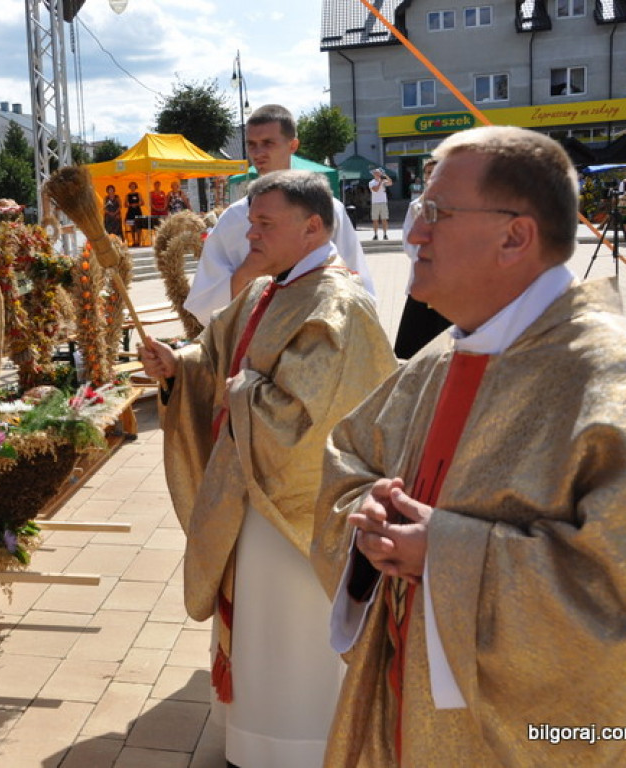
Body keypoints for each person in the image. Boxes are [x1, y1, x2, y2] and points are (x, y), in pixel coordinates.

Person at [311, 126, 626, 767]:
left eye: (434, 212)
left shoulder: (605, 380)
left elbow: (610, 599)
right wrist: (365, 520)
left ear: (515, 236)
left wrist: (447, 553)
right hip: (405, 704)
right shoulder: (443, 355)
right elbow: (349, 454)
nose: (413, 233)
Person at [140, 170, 396, 768]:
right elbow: (220, 353)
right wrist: (179, 365)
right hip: (247, 488)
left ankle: (300, 746)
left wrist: (240, 393)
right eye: (250, 221)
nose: (248, 235)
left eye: (264, 223)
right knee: (257, 625)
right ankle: (252, 739)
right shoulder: (265, 291)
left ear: (312, 227)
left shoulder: (341, 304)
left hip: (292, 503)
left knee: (289, 629)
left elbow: (317, 414)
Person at [184, 104, 375, 326]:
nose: (258, 153)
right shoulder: (234, 219)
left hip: (320, 337)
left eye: (268, 143)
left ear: (292, 145)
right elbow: (206, 303)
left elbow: (356, 279)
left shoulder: (328, 210)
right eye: (252, 145)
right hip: (255, 339)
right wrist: (246, 272)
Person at [392, 158, 450, 359]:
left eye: (436, 172)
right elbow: (409, 242)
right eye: (427, 173)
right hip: (423, 278)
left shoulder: (457, 205)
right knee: (413, 341)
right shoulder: (416, 206)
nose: (430, 177)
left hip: (450, 282)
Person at [369, 167, 392, 240]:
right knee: (375, 220)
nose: (378, 174)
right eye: (377, 173)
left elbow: (390, 183)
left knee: (384, 219)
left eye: (379, 173)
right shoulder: (371, 182)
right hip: (375, 202)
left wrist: (385, 175)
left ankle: (385, 234)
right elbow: (375, 189)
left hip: (383, 202)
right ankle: (375, 234)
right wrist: (380, 182)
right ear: (374, 174)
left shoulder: (383, 181)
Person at [124, 181, 144, 247]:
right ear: (129, 187)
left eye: (134, 186)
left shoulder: (138, 194)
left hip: (137, 211)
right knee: (132, 227)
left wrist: (137, 204)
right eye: (131, 186)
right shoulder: (127, 195)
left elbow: (142, 202)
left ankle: (139, 241)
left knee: (139, 227)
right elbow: (125, 204)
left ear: (135, 187)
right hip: (130, 212)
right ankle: (134, 241)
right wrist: (130, 205)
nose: (132, 187)